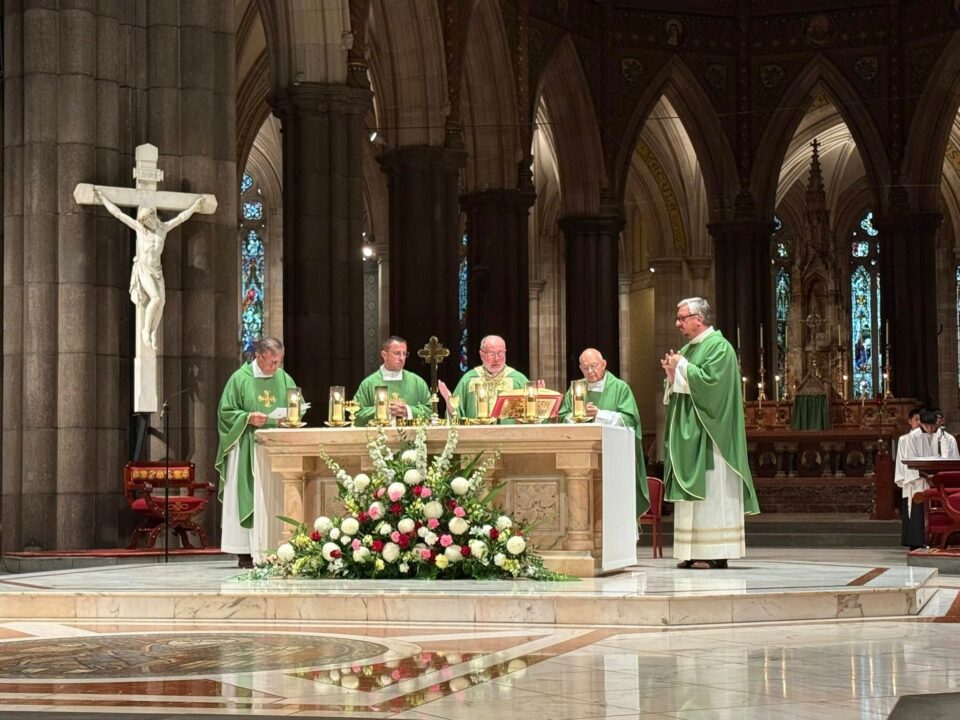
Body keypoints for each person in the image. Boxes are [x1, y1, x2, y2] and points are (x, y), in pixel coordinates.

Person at [661, 297, 759, 569]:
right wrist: (672, 375)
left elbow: (712, 386)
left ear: (699, 319)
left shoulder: (719, 347)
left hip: (711, 435)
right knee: (693, 497)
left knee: (713, 491)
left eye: (682, 318)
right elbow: (684, 384)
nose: (677, 323)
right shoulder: (688, 349)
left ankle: (716, 551)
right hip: (691, 434)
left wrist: (681, 367)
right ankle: (691, 551)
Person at [215, 337, 299, 568]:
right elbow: (225, 413)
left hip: (276, 449)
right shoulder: (240, 379)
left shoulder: (284, 378)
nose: (276, 367)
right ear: (258, 357)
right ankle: (244, 551)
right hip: (247, 448)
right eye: (272, 362)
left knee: (273, 496)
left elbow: (297, 404)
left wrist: (290, 417)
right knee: (247, 495)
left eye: (279, 362)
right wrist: (248, 418)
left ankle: (275, 546)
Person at [93, 187, 206, 351]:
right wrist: (103, 199)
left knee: (162, 301)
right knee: (156, 298)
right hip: (144, 269)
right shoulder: (140, 230)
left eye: (150, 219)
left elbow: (181, 217)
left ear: (153, 216)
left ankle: (153, 332)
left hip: (157, 270)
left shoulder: (163, 228)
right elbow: (119, 214)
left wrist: (195, 207)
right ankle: (146, 330)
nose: (148, 222)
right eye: (145, 221)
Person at [558, 348, 649, 515]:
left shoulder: (620, 388)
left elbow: (629, 421)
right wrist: (579, 415)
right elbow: (563, 417)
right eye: (585, 368)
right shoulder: (575, 389)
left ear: (604, 364)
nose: (590, 372)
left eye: (594, 366)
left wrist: (599, 415)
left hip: (613, 458)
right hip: (582, 459)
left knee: (614, 509)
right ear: (580, 368)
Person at [439, 335, 529, 420]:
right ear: (481, 355)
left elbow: (532, 416)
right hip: (475, 435)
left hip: (510, 435)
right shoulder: (469, 379)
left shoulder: (518, 379)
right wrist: (449, 400)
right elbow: (456, 417)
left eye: (500, 353)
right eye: (491, 354)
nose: (496, 359)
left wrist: (540, 398)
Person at [353, 336, 432, 426]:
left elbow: (431, 412)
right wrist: (382, 410)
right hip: (378, 438)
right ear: (384, 355)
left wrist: (408, 410)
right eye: (397, 353)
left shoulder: (417, 382)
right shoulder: (369, 384)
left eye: (404, 353)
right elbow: (356, 415)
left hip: (412, 439)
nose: (402, 358)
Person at [895, 407, 938, 549]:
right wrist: (908, 476)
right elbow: (903, 461)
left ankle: (929, 540)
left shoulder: (930, 436)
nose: (920, 423)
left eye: (922, 420)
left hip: (927, 479)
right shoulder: (906, 439)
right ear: (910, 421)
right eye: (917, 420)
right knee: (915, 513)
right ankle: (915, 542)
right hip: (914, 480)